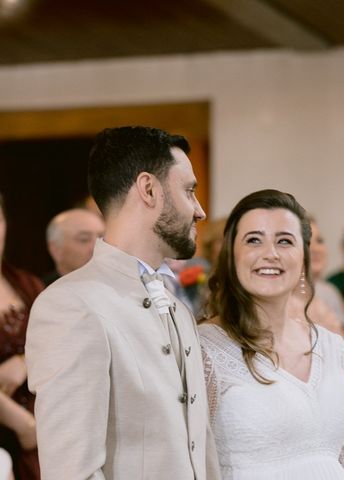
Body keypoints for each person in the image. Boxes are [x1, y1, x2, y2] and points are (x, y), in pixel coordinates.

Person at [25, 126, 220, 479]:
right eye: (189, 191)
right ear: (149, 189)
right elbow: (72, 471)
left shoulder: (177, 308)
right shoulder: (71, 305)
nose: (200, 210)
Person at [199, 189, 344, 479]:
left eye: (285, 241)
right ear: (230, 255)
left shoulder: (331, 345)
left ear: (303, 257)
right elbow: (194, 458)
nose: (270, 254)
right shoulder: (205, 348)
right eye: (253, 240)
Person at [0, 192, 42, 480]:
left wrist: (24, 361)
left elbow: (62, 343)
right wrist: (22, 424)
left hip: (47, 422)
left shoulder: (27, 284)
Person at [41, 208, 105, 286]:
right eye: (84, 239)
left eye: (102, 238)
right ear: (56, 250)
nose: (97, 246)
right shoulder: (40, 293)